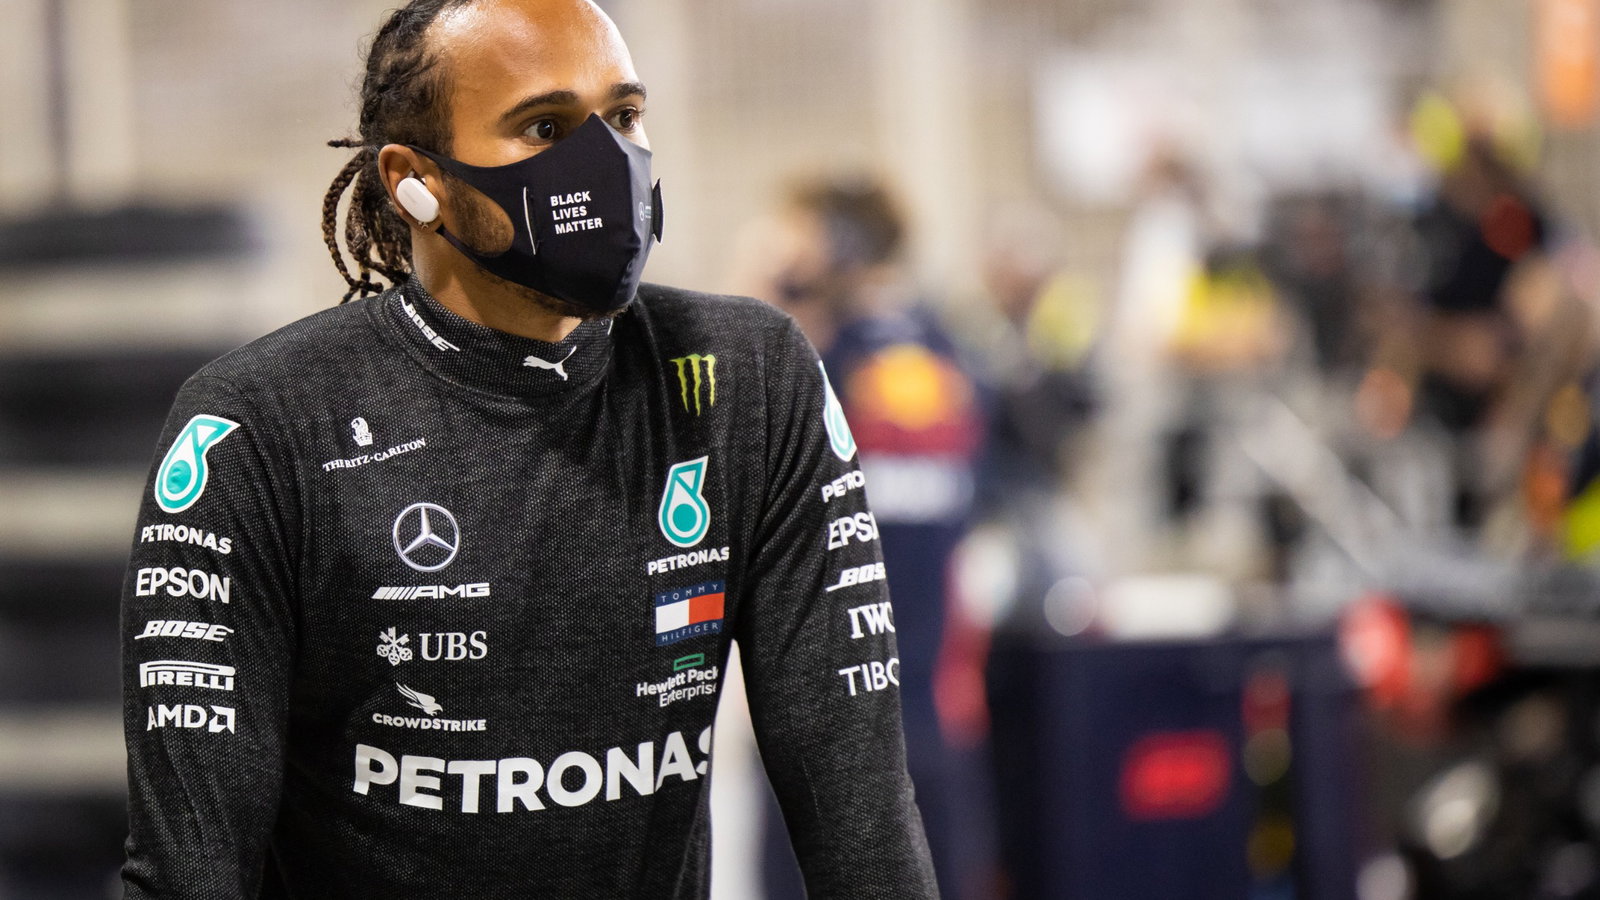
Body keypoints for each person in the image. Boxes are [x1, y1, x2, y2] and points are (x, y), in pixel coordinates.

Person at [118, 1, 936, 896]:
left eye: (623, 117)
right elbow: (189, 875)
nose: (607, 162)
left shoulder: (749, 379)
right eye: (544, 127)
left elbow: (862, 825)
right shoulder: (260, 428)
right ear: (413, 181)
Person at [738, 178, 988, 899]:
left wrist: (773, 284)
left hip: (821, 726)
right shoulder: (952, 353)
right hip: (933, 712)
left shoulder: (805, 359)